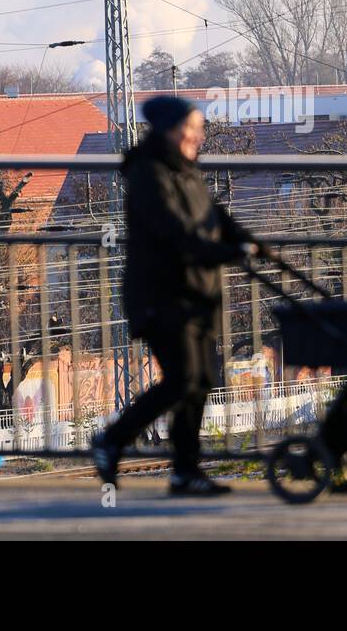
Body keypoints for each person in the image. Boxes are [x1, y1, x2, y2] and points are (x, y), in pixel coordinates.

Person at [91, 96, 267, 496]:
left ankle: (185, 471)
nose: (200, 136)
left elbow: (212, 215)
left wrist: (248, 240)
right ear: (172, 130)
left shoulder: (184, 169)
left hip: (196, 291)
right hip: (161, 293)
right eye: (194, 128)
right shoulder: (149, 173)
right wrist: (226, 252)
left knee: (200, 380)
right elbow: (175, 232)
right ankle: (113, 439)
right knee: (183, 379)